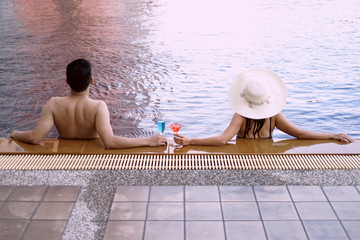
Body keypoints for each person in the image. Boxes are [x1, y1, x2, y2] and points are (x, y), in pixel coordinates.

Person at [10, 59, 167, 149]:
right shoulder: (98, 107)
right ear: (91, 81)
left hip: (64, 157)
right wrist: (148, 141)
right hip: (93, 155)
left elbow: (35, 138)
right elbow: (110, 142)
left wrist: (15, 133)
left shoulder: (54, 104)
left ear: (67, 82)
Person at [174, 68, 354, 146]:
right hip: (267, 159)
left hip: (245, 160)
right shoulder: (274, 116)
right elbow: (300, 134)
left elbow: (222, 140)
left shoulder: (240, 116)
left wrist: (191, 141)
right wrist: (332, 135)